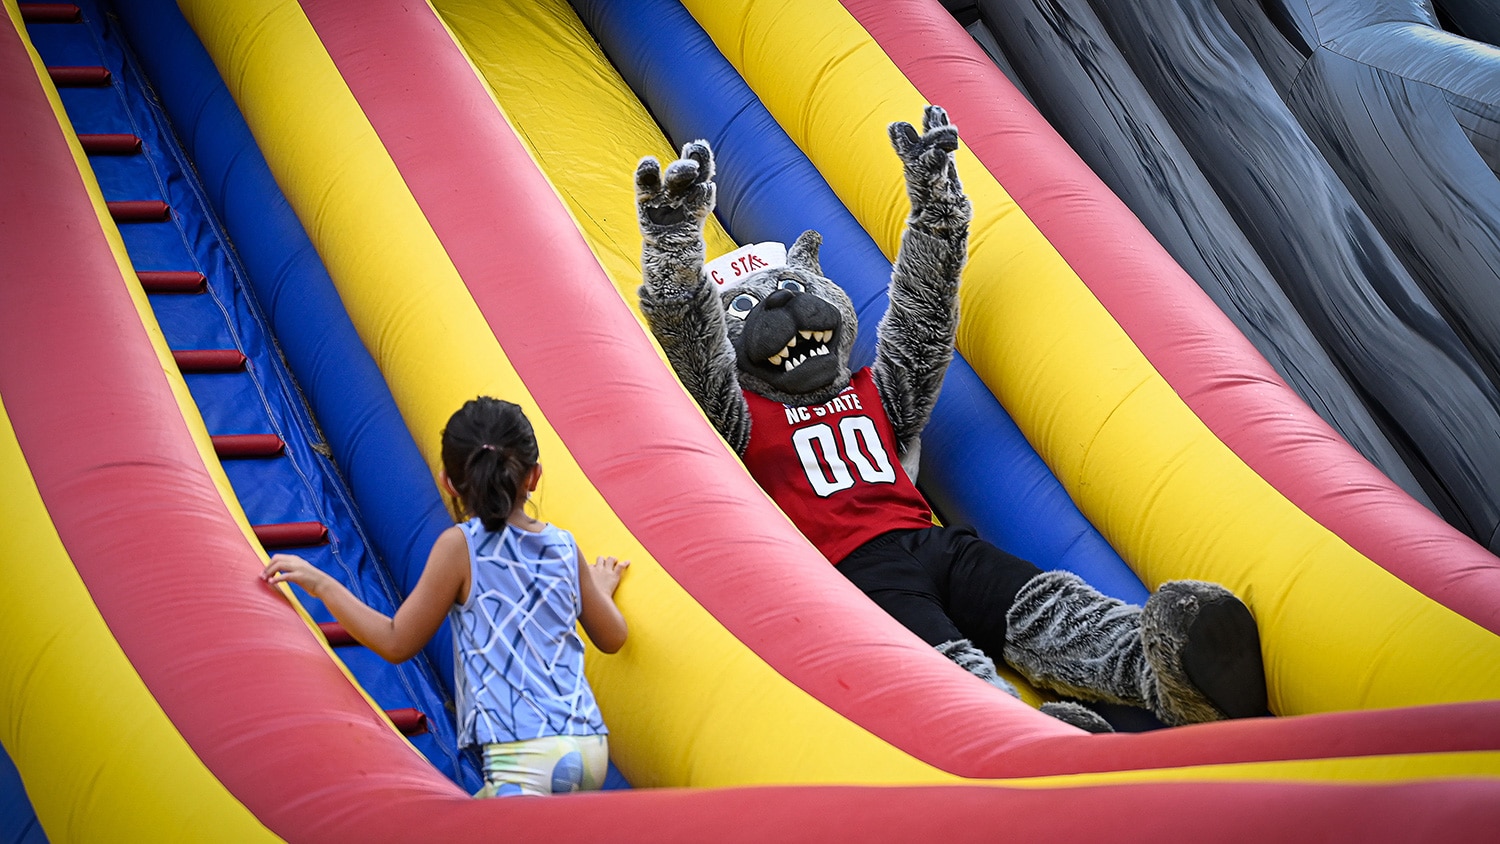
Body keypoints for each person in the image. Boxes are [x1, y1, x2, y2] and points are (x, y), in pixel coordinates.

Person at [262, 396, 629, 796]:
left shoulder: (460, 548)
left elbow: (397, 640)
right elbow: (613, 638)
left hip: (525, 762)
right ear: (534, 476)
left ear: (448, 482)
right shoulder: (562, 546)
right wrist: (597, 589)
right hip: (589, 748)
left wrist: (323, 584)